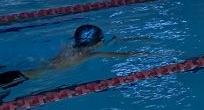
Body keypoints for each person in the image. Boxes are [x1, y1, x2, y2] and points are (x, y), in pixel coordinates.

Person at [0, 25, 138, 91]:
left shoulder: (70, 47)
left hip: (20, 73)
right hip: (20, 79)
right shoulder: (91, 54)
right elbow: (125, 55)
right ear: (98, 42)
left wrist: (114, 40)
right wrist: (150, 54)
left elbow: (91, 44)